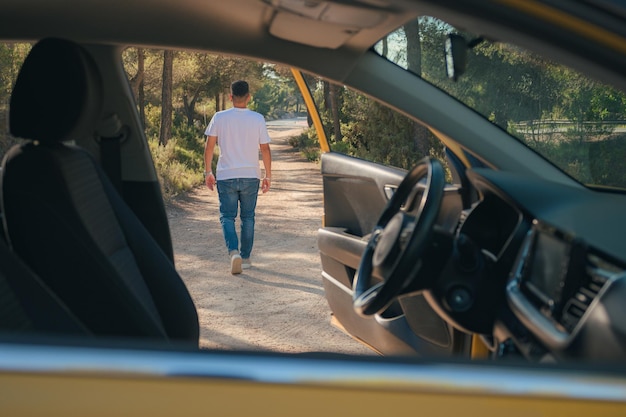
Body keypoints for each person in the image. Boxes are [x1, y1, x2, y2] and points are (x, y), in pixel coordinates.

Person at [203, 80, 272, 275]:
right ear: (249, 97)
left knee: (227, 216)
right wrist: (268, 175)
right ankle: (247, 258)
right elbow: (265, 149)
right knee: (248, 217)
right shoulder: (257, 118)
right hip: (251, 175)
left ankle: (234, 252)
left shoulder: (219, 117)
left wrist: (208, 172)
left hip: (226, 175)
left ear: (230, 97)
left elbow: (209, 147)